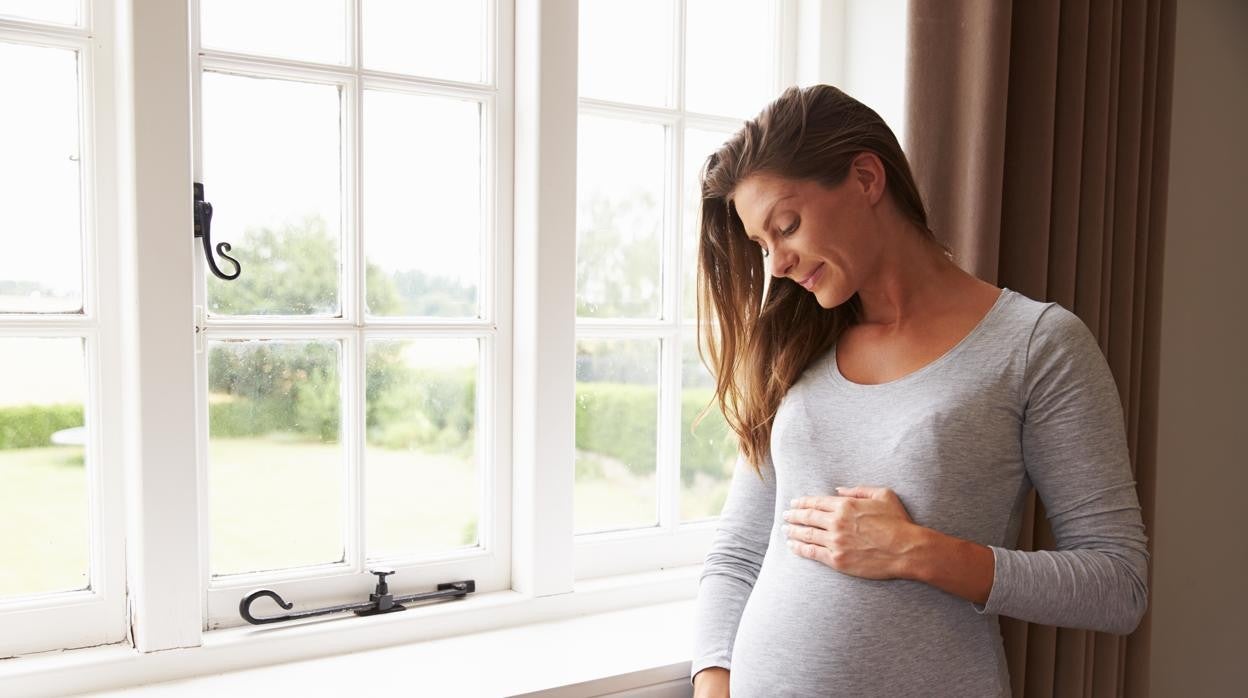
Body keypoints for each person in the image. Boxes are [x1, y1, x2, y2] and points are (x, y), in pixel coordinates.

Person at [688, 84, 1150, 697]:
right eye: (762, 245)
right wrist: (714, 686)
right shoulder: (797, 348)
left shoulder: (1037, 345)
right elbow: (739, 554)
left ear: (865, 178)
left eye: (788, 225)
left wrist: (916, 552)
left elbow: (1119, 585)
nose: (776, 264)